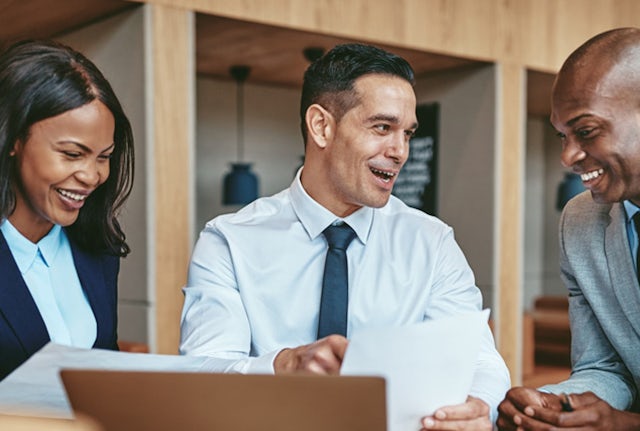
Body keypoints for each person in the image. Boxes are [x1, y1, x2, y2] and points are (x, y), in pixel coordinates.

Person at [180, 43, 510, 430]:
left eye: (407, 133)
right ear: (321, 126)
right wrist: (284, 364)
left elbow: (482, 362)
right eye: (382, 127)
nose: (401, 151)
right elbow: (202, 370)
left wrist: (478, 406)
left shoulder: (432, 242)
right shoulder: (229, 241)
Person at [497, 27, 640, 430]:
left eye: (586, 131)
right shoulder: (579, 222)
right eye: (561, 135)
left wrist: (625, 424)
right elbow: (604, 367)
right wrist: (557, 405)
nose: (568, 156)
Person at [0, 39, 134, 380]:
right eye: (72, 154)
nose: (92, 176)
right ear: (14, 139)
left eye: (103, 156)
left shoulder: (98, 252)